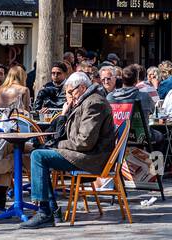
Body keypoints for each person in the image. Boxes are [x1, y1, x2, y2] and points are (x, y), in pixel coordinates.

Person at [22, 71, 116, 229]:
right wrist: (64, 114)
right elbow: (64, 134)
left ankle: (45, 211)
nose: (70, 95)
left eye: (71, 91)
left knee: (38, 156)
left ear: (83, 87)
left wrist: (57, 145)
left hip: (91, 157)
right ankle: (51, 210)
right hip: (84, 153)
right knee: (38, 153)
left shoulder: (94, 103)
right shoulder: (85, 101)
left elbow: (85, 142)